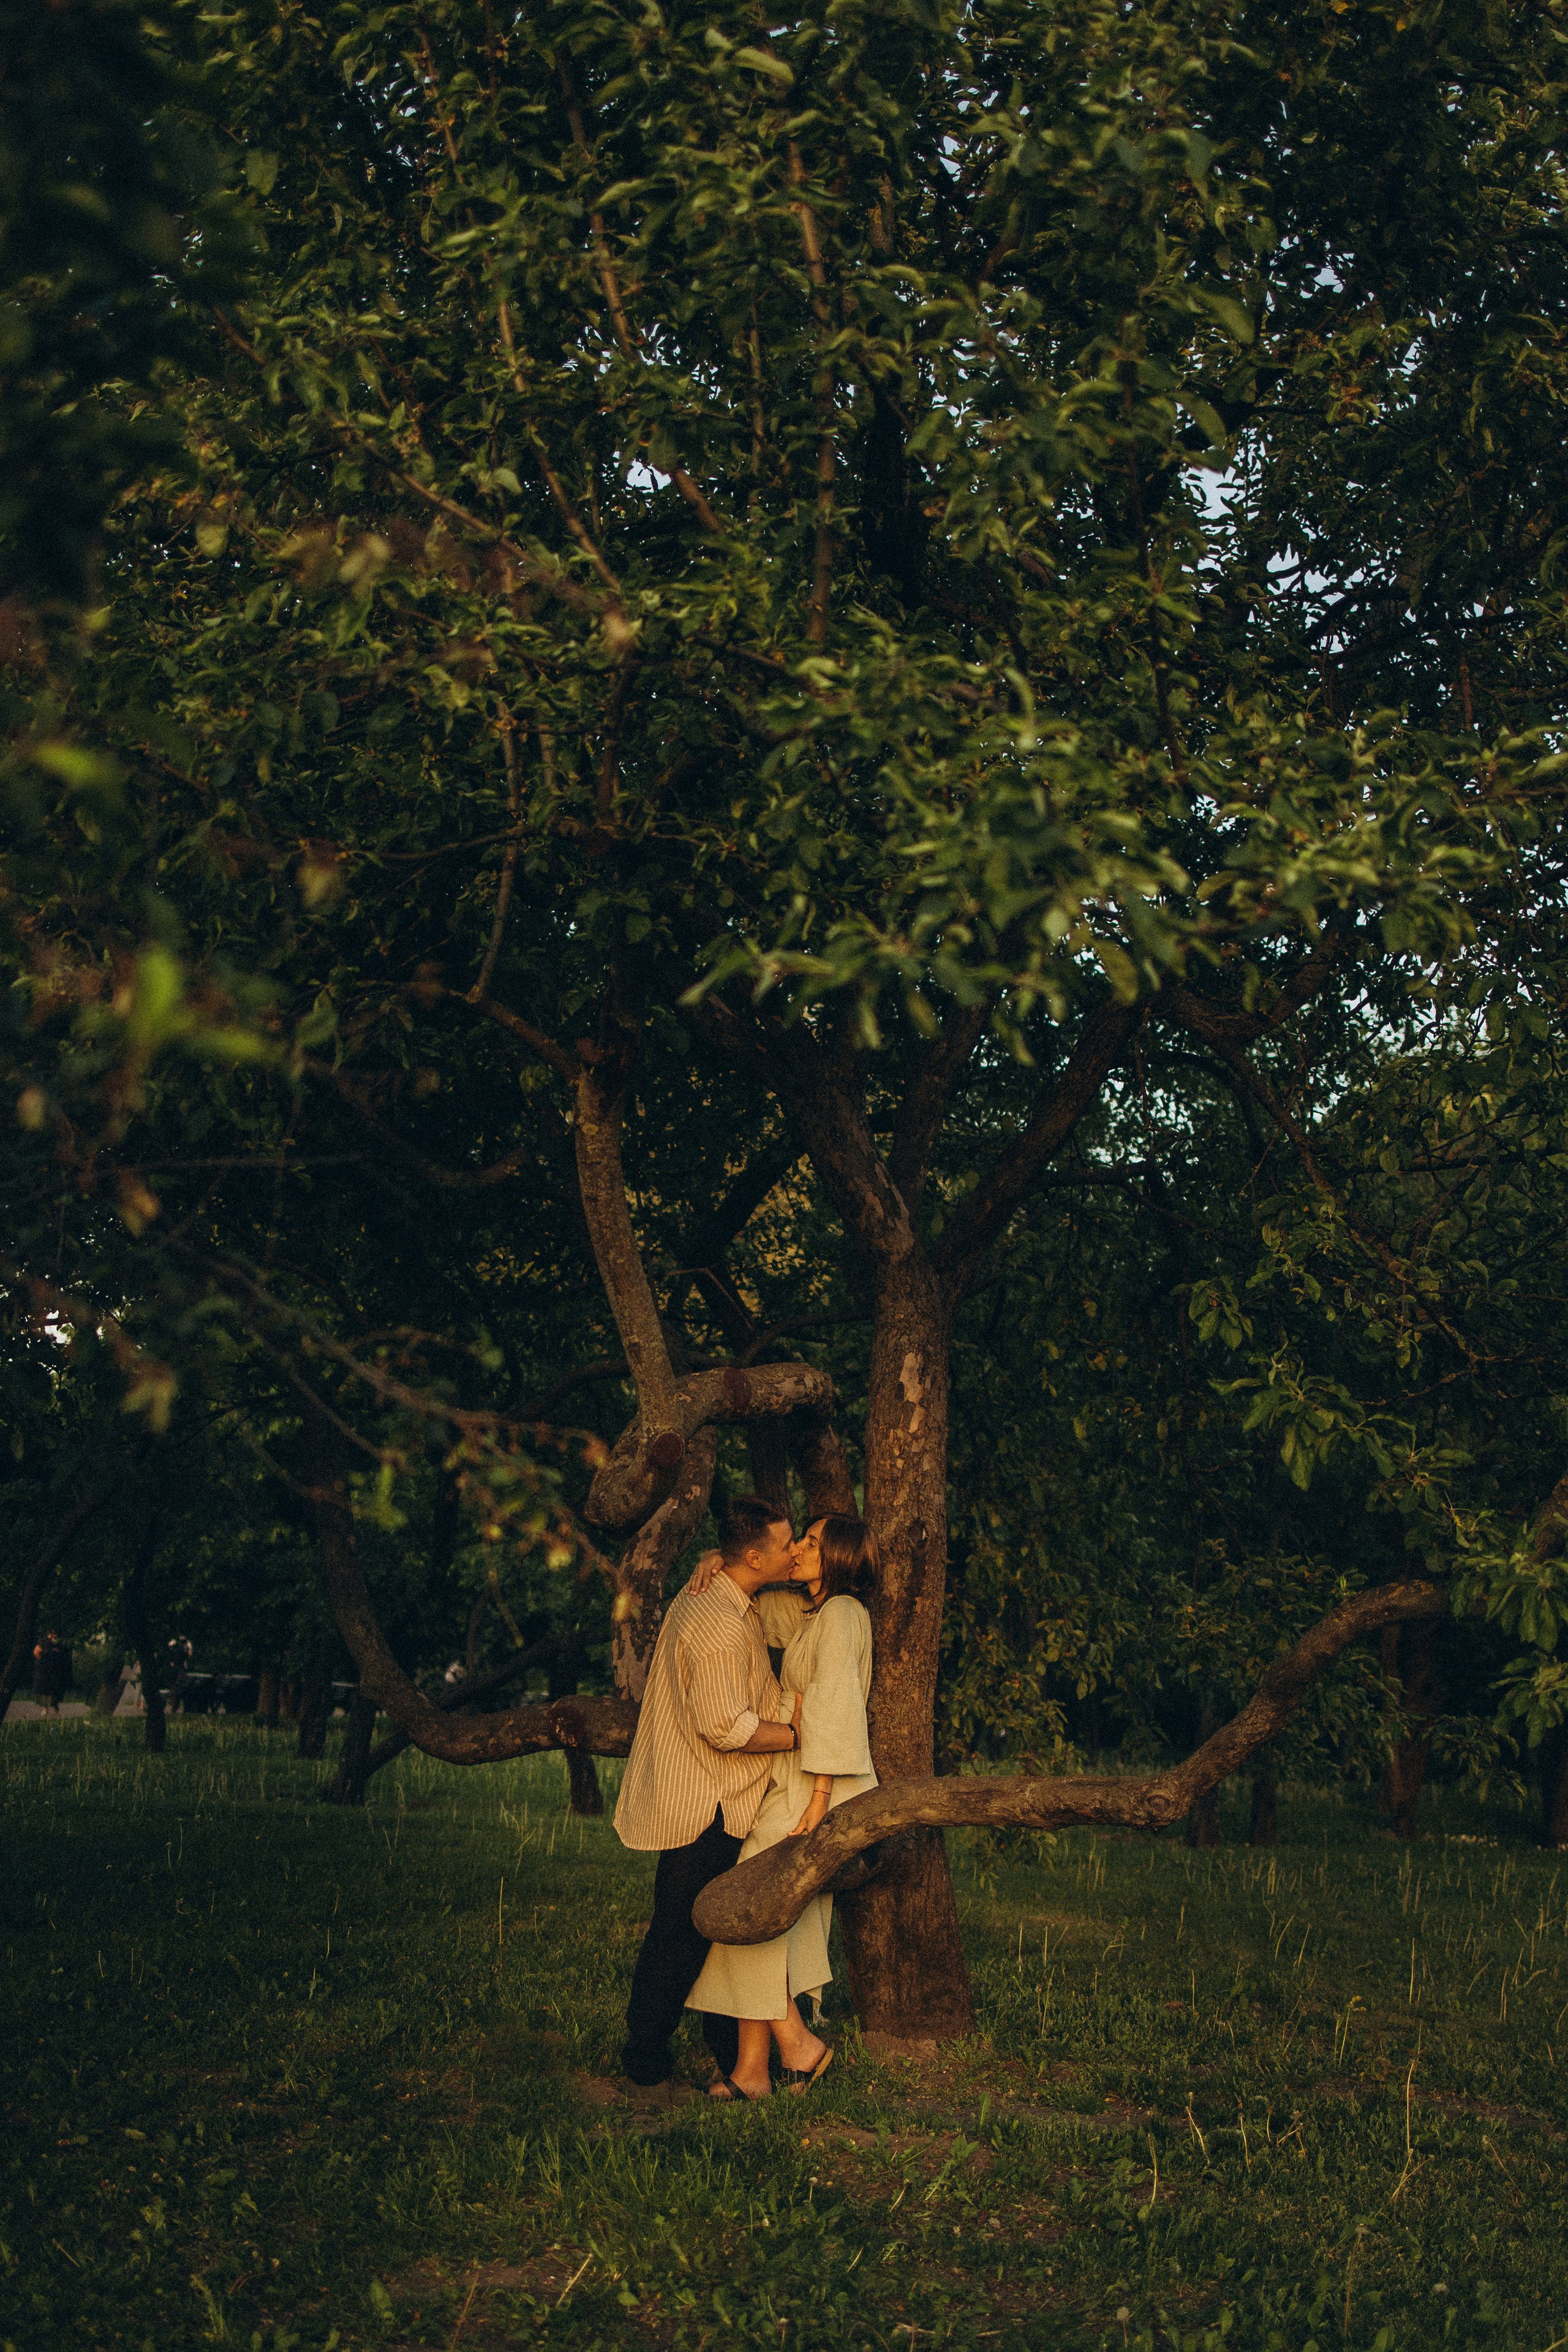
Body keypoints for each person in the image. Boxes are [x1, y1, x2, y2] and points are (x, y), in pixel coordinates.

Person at [612, 1494, 804, 2096]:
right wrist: (797, 1735)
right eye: (786, 1544)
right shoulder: (719, 1623)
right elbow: (726, 1727)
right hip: (708, 1802)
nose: (795, 1550)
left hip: (716, 1796)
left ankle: (730, 2056)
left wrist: (712, 1557)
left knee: (710, 1928)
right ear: (755, 1557)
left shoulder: (724, 1596)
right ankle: (645, 2056)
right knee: (681, 1932)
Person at [687, 1514, 879, 2100]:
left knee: (753, 1908)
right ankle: (753, 2070)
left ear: (837, 1557)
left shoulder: (843, 1613)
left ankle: (798, 2047)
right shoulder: (813, 1613)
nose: (797, 1549)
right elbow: (753, 1605)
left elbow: (836, 1706)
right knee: (764, 1921)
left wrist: (819, 1801)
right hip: (796, 1779)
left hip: (819, 1785)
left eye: (811, 1543)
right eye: (798, 1539)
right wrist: (718, 1561)